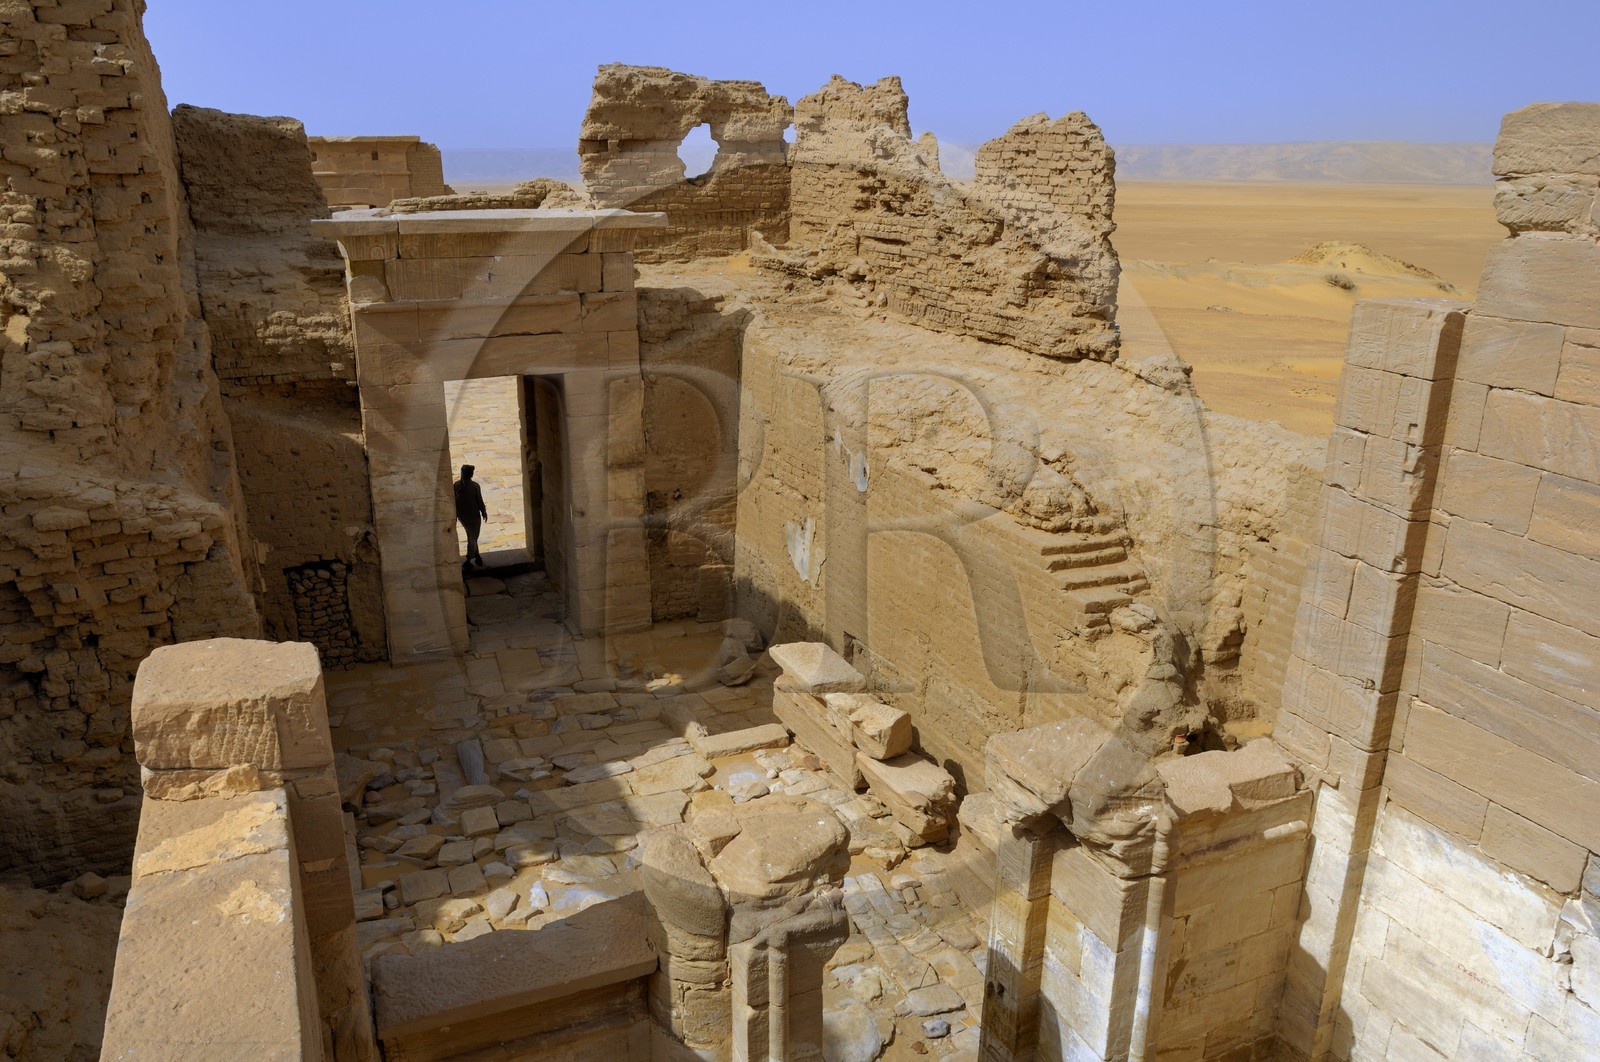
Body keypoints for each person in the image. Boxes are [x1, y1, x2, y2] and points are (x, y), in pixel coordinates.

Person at [453, 464, 489, 569]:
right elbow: (480, 501)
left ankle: (477, 555)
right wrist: (484, 512)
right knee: (473, 538)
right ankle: (469, 560)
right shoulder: (474, 486)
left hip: (462, 516)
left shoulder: (456, 485)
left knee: (471, 536)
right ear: (471, 474)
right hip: (473, 516)